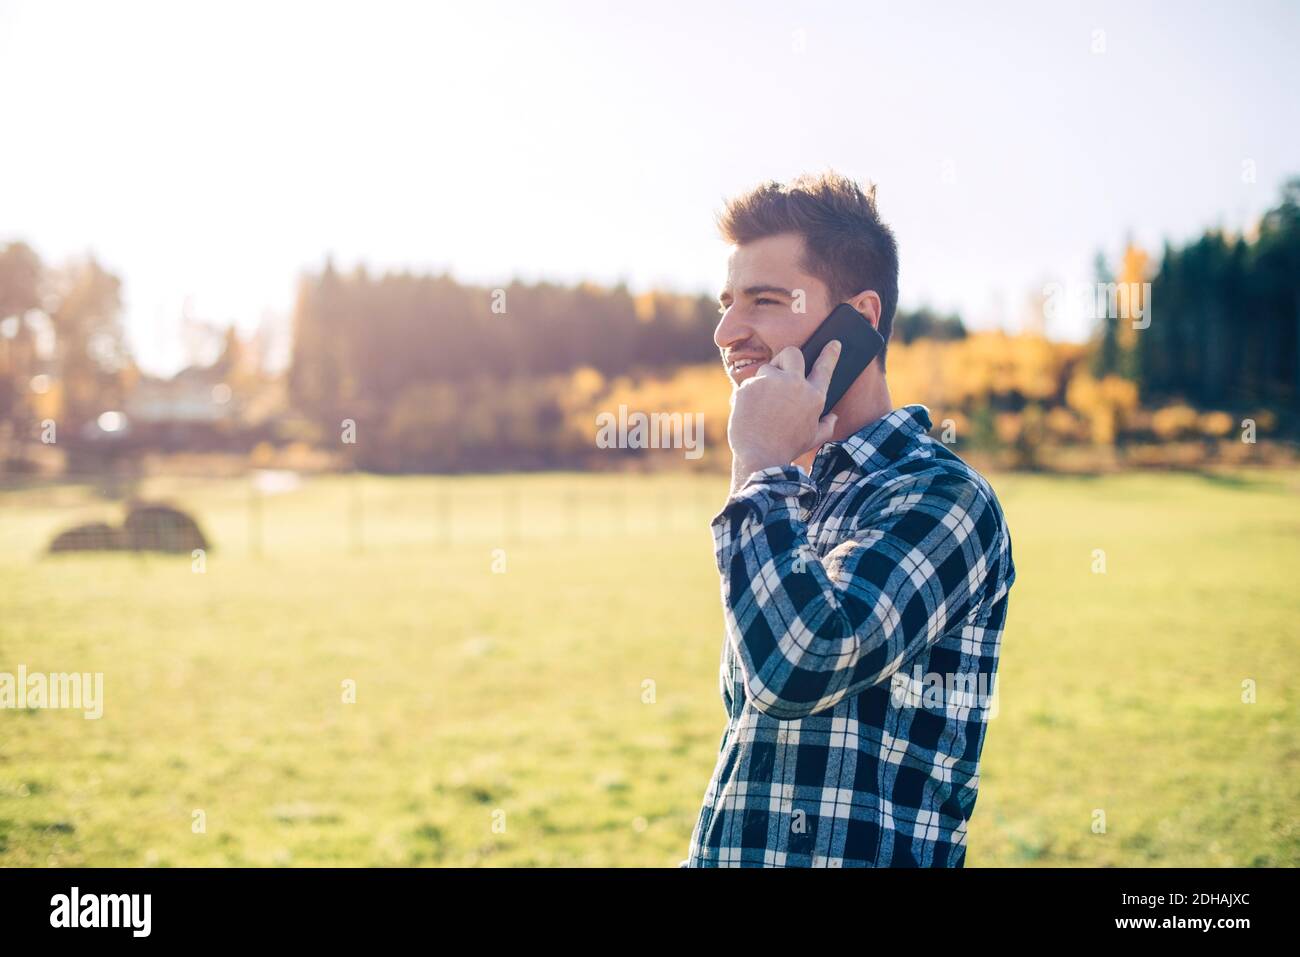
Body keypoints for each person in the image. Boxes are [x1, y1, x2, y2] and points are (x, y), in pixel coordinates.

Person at [680, 170, 1016, 867]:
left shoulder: (943, 499)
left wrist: (762, 462)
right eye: (726, 303)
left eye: (764, 301)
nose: (727, 332)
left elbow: (797, 667)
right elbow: (753, 746)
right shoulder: (788, 494)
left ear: (858, 321)